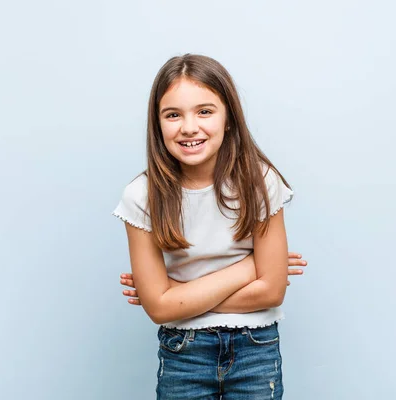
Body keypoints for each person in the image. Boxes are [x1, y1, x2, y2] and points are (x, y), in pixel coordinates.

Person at [112, 54, 306, 400]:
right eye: (173, 115)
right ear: (158, 125)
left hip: (255, 349)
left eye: (204, 111)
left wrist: (178, 292)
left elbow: (272, 291)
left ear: (228, 118)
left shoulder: (259, 182)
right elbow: (159, 309)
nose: (189, 127)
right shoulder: (141, 195)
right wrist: (250, 268)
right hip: (182, 353)